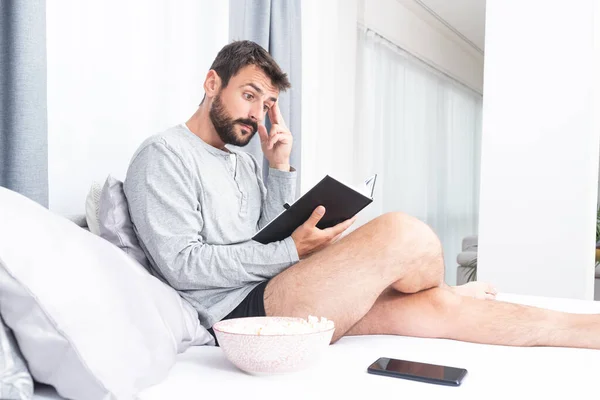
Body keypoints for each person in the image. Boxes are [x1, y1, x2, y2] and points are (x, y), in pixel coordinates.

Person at [124, 40, 600, 349]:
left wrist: (278, 169)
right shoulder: (163, 156)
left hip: (272, 288)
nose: (258, 114)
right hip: (231, 313)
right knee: (404, 234)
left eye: (267, 104)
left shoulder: (242, 159)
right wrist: (291, 251)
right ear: (212, 83)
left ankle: (587, 334)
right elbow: (184, 266)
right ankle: (447, 284)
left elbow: (261, 237)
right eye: (249, 96)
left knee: (439, 310)